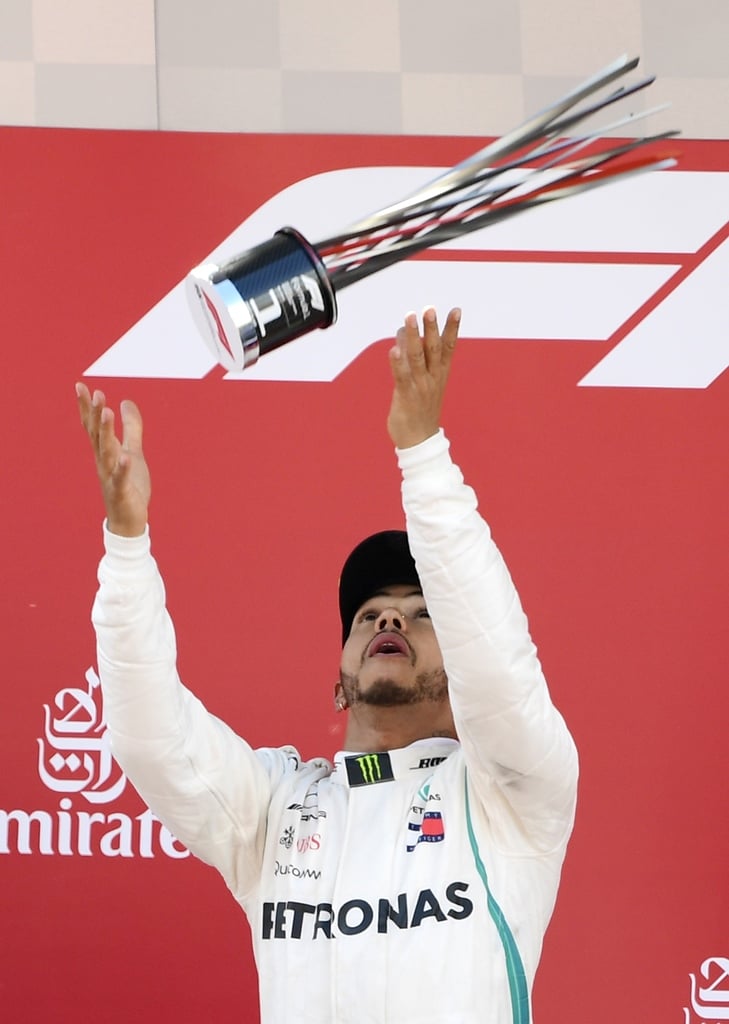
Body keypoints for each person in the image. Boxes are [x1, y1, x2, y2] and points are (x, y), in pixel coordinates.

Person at [77, 307, 578, 1024]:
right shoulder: (272, 809)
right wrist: (126, 548)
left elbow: (498, 670)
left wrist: (423, 458)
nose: (387, 617)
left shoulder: (511, 793)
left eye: (420, 610)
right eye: (369, 611)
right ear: (338, 680)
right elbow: (152, 738)